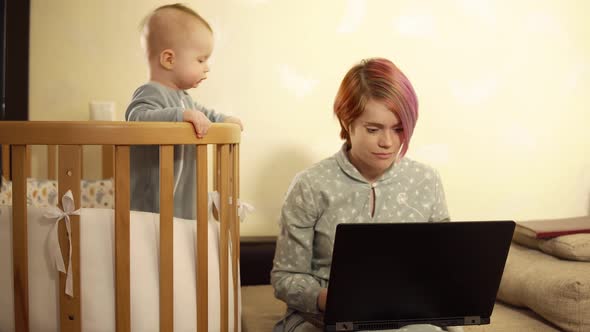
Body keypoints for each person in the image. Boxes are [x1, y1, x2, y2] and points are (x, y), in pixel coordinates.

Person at [271, 58, 457, 332]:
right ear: (347, 122)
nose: (388, 142)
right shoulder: (310, 185)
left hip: (406, 318)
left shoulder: (426, 180)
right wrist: (327, 299)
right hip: (322, 319)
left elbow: (445, 263)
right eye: (373, 129)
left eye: (399, 129)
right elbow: (285, 276)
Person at [125, 3, 242, 219]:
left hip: (181, 207)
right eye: (201, 60)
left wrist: (224, 119)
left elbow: (204, 113)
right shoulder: (150, 92)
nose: (207, 67)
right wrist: (181, 116)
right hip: (150, 209)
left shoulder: (184, 99)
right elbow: (137, 119)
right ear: (169, 59)